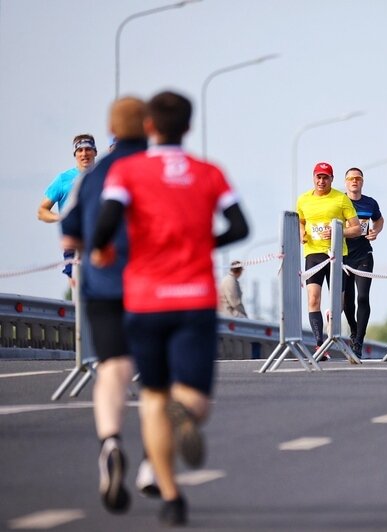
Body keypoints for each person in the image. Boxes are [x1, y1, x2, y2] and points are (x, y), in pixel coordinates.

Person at [90, 90, 249, 525]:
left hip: (144, 300)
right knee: (194, 400)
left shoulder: (127, 170)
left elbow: (105, 221)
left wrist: (102, 249)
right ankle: (187, 415)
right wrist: (205, 244)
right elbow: (240, 224)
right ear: (189, 126)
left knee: (154, 398)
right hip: (195, 299)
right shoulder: (209, 171)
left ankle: (173, 498)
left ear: (149, 127)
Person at [60, 98, 157, 514]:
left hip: (102, 287)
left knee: (113, 368)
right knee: (156, 375)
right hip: (153, 286)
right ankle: (153, 463)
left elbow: (69, 236)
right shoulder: (158, 171)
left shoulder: (90, 177)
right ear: (149, 128)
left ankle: (111, 442)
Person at [296, 162, 361, 358]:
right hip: (313, 255)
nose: (321, 181)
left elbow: (356, 228)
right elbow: (300, 221)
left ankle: (333, 331)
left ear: (332, 179)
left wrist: (337, 232)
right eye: (318, 177)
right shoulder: (303, 200)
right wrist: (301, 233)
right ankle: (319, 345)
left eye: (325, 177)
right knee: (313, 298)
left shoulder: (341, 199)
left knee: (338, 304)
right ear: (313, 178)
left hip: (336, 255)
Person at [38, 133, 97, 279]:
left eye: (88, 149)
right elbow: (42, 211)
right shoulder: (63, 179)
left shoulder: (104, 174)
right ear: (75, 154)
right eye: (80, 150)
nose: (84, 154)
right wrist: (62, 217)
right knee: (76, 284)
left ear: (95, 151)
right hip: (74, 243)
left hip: (99, 240)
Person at [342, 167, 383, 358]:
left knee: (363, 297)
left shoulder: (370, 203)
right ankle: (353, 329)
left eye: (357, 178)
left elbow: (379, 219)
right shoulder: (339, 201)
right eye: (351, 179)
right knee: (347, 303)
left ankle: (358, 341)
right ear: (345, 182)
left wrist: (376, 230)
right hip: (343, 256)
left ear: (362, 182)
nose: (354, 181)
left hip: (364, 255)